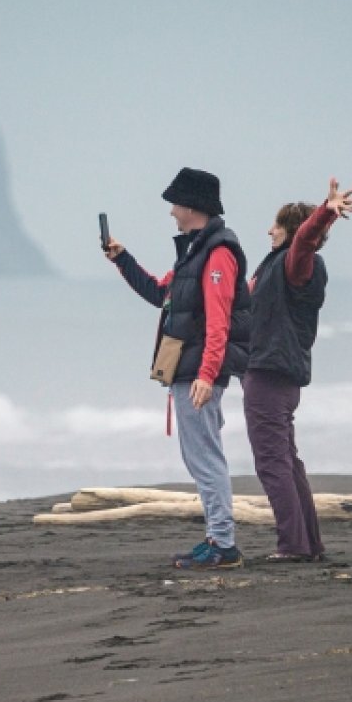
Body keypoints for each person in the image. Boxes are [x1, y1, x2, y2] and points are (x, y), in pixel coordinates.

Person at [104, 167, 252, 569]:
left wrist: (207, 374)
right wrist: (123, 260)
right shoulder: (193, 251)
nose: (171, 211)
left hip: (198, 373)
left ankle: (223, 544)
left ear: (192, 206)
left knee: (205, 458)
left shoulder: (218, 253)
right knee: (200, 457)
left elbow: (219, 319)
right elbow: (160, 293)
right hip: (187, 370)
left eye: (175, 203)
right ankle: (216, 539)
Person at [243, 178, 352, 563]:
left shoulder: (297, 264)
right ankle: (309, 542)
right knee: (287, 461)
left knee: (272, 462)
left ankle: (293, 545)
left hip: (271, 375)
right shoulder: (277, 265)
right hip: (278, 374)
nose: (268, 230)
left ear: (291, 231)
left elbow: (306, 241)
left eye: (276, 224)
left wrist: (325, 213)